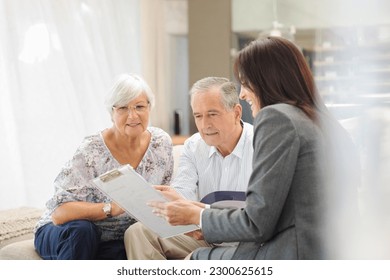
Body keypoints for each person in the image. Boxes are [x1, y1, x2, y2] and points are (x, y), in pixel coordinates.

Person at [148, 37, 360, 259]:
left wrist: (198, 216)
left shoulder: (277, 119)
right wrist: (201, 211)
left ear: (266, 79)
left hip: (288, 254)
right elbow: (272, 211)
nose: (242, 93)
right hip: (322, 253)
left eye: (245, 83)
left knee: (195, 258)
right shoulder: (320, 122)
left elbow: (257, 223)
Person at [33, 73, 173, 260]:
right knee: (82, 232)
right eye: (123, 108)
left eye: (139, 106)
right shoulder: (91, 150)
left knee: (124, 250)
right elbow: (60, 213)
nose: (133, 115)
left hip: (113, 238)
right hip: (64, 230)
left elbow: (164, 197)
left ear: (149, 108)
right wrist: (111, 208)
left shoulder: (161, 144)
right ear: (112, 113)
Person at [124, 77, 253, 259]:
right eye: (198, 116)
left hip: (248, 242)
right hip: (206, 235)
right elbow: (183, 191)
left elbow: (260, 216)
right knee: (138, 232)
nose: (204, 125)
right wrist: (169, 200)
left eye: (212, 114)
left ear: (237, 112)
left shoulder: (261, 145)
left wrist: (197, 212)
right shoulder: (193, 146)